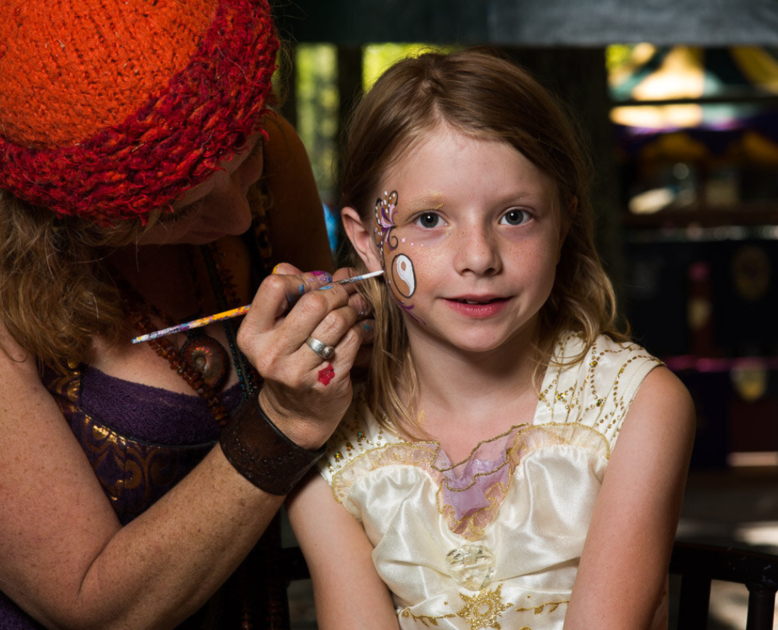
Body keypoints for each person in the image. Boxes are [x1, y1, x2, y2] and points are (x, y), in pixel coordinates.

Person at [0, 0, 370, 628]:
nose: (240, 220)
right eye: (173, 213)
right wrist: (283, 421)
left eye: (244, 153)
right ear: (60, 215)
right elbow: (94, 608)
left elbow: (341, 417)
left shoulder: (266, 158)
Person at [287, 47, 696, 630]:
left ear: (564, 222)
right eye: (429, 220)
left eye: (515, 215)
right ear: (368, 240)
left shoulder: (639, 408)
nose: (479, 258)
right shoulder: (329, 436)